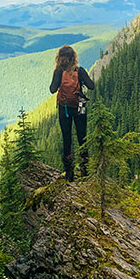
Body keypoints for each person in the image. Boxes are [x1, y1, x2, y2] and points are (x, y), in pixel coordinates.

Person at [50, 45, 95, 182]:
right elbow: (92, 86)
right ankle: (85, 171)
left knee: (67, 139)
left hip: (65, 109)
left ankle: (69, 175)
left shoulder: (58, 72)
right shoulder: (80, 71)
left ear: (60, 58)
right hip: (80, 106)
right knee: (83, 138)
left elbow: (52, 89)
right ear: (73, 58)